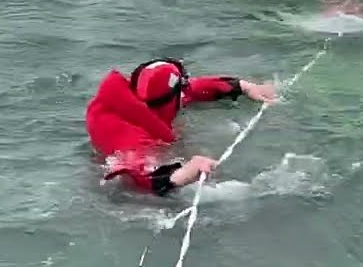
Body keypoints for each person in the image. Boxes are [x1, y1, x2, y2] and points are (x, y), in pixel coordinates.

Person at [84, 57, 277, 196]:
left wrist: (244, 86)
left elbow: (195, 88)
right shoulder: (133, 136)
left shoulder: (141, 96)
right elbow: (137, 175)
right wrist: (184, 173)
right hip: (110, 183)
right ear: (171, 102)